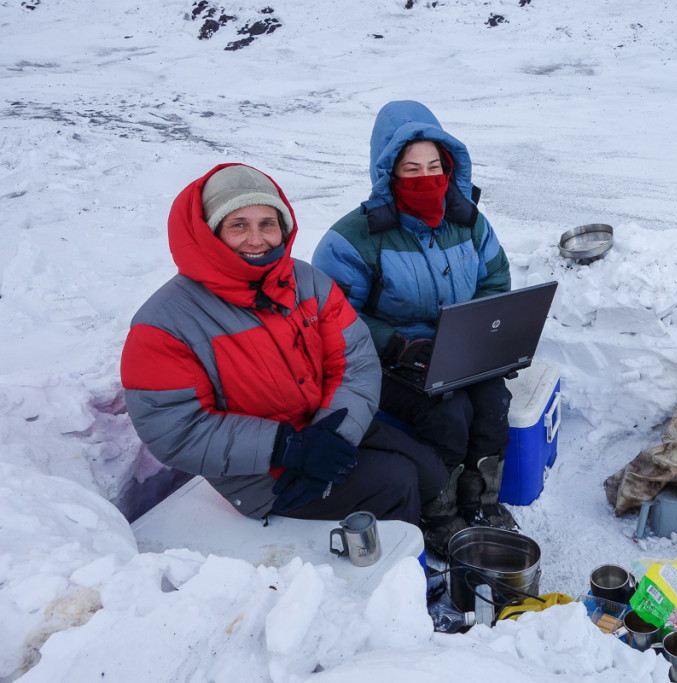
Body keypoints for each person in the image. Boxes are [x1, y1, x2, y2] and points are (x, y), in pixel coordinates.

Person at [121, 163, 448, 525]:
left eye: (267, 224)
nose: (256, 239)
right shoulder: (164, 324)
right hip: (261, 470)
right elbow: (175, 429)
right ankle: (404, 572)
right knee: (393, 482)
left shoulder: (307, 281)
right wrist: (285, 447)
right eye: (238, 225)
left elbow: (354, 361)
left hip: (328, 425)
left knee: (430, 470)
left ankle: (429, 531)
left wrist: (333, 433)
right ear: (211, 232)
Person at [312, 100, 516, 553]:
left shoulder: (468, 222)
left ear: (449, 166)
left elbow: (496, 279)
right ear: (388, 172)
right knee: (447, 412)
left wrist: (483, 332)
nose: (427, 179)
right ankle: (438, 511)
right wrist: (397, 343)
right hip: (384, 360)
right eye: (411, 168)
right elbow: (331, 314)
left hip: (460, 348)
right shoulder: (353, 238)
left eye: (434, 166)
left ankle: (480, 501)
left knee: (491, 400)